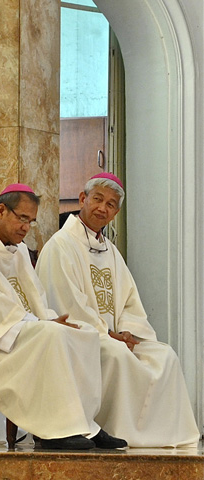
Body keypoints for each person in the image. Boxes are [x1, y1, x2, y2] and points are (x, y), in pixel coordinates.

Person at [0, 183, 127, 450]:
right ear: (1, 210)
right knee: (51, 333)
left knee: (81, 330)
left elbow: (36, 299)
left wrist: (49, 319)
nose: (26, 227)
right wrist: (41, 324)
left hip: (15, 330)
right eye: (22, 218)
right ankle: (54, 431)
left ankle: (84, 424)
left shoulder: (19, 249)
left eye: (31, 221)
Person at [36, 173, 200, 447]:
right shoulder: (60, 246)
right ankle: (111, 430)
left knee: (165, 356)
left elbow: (128, 301)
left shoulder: (109, 250)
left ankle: (165, 436)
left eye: (111, 205)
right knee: (116, 354)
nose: (103, 208)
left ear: (116, 213)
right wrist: (108, 334)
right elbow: (66, 303)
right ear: (82, 199)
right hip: (83, 336)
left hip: (113, 335)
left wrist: (127, 331)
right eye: (98, 199)